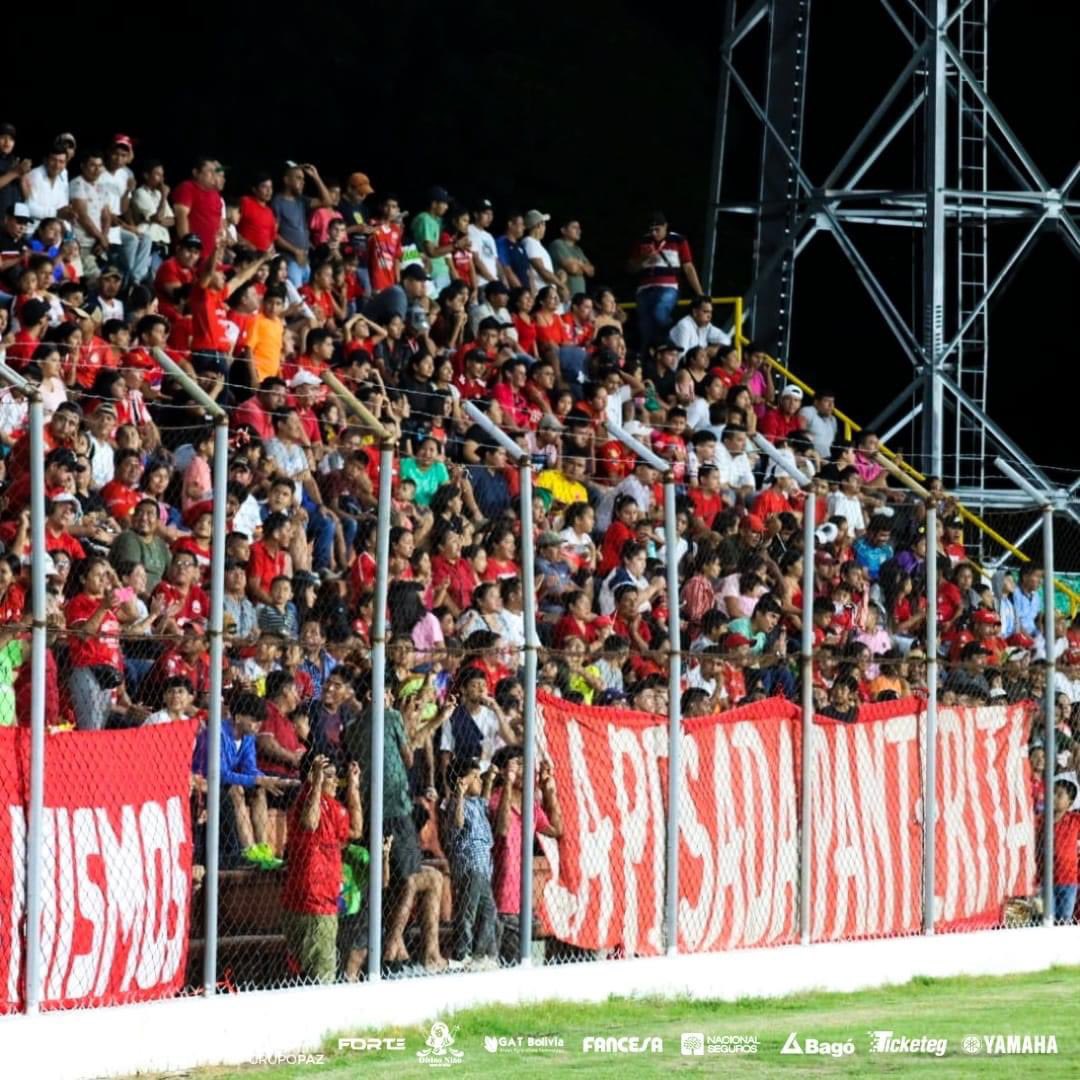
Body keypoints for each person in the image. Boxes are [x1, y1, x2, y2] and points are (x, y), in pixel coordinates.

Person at [281, 751, 363, 983]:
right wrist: (316, 782)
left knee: (305, 971)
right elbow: (310, 822)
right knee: (321, 974)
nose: (335, 781)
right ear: (313, 776)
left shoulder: (332, 806)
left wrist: (354, 787)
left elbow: (356, 830)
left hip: (323, 899)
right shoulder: (307, 800)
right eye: (329, 776)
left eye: (336, 776)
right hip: (311, 900)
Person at [489, 747, 563, 964]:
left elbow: (556, 829)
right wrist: (508, 786)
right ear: (504, 772)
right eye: (518, 764)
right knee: (509, 962)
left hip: (524, 897)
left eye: (527, 764)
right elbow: (502, 830)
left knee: (525, 960)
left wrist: (549, 791)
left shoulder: (530, 805)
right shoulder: (495, 799)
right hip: (501, 899)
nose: (526, 770)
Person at [443, 756, 498, 968]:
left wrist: (490, 778)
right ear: (462, 781)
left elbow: (484, 796)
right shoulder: (458, 804)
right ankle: (460, 954)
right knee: (468, 911)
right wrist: (459, 794)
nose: (480, 780)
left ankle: (480, 954)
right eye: (476, 777)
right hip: (470, 867)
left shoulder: (476, 803)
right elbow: (457, 824)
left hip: (483, 868)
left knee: (488, 910)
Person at [630, 210, 703, 347]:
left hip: (668, 287)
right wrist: (644, 258)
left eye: (657, 229)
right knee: (645, 326)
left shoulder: (678, 240)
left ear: (665, 226)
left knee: (660, 312)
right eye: (651, 230)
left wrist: (699, 293)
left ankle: (671, 342)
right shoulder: (643, 240)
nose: (654, 233)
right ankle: (650, 355)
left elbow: (688, 267)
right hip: (644, 289)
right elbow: (631, 268)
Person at [1036, 777, 1080, 924]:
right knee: (1045, 919)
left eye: (1059, 794)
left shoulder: (1075, 820)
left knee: (1064, 919)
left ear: (1070, 802)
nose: (1053, 797)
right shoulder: (1040, 820)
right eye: (1052, 792)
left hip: (1069, 881)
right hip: (1044, 881)